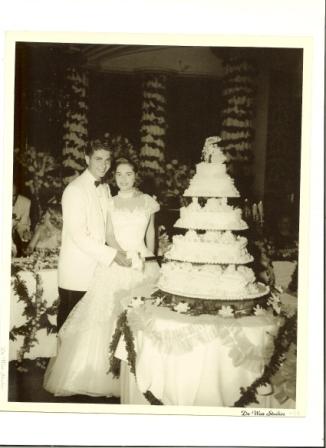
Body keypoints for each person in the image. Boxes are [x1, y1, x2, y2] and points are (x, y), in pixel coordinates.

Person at [43, 157, 160, 398]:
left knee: (143, 318)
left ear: (136, 175)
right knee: (106, 316)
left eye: (128, 174)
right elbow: (109, 235)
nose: (124, 179)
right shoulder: (110, 202)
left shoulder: (148, 201)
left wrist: (150, 260)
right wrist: (122, 255)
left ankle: (143, 375)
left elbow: (151, 234)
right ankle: (102, 374)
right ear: (114, 177)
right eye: (119, 174)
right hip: (118, 260)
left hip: (143, 263)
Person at [56, 139, 131, 332]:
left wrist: (122, 251)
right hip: (76, 274)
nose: (104, 164)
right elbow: (78, 236)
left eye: (107, 160)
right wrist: (112, 255)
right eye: (98, 159)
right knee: (69, 332)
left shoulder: (105, 189)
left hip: (97, 273)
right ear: (86, 158)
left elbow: (107, 231)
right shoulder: (74, 190)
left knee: (87, 333)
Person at [12, 180, 32, 256]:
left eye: (14, 196)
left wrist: (24, 234)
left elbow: (22, 225)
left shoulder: (25, 203)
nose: (11, 199)